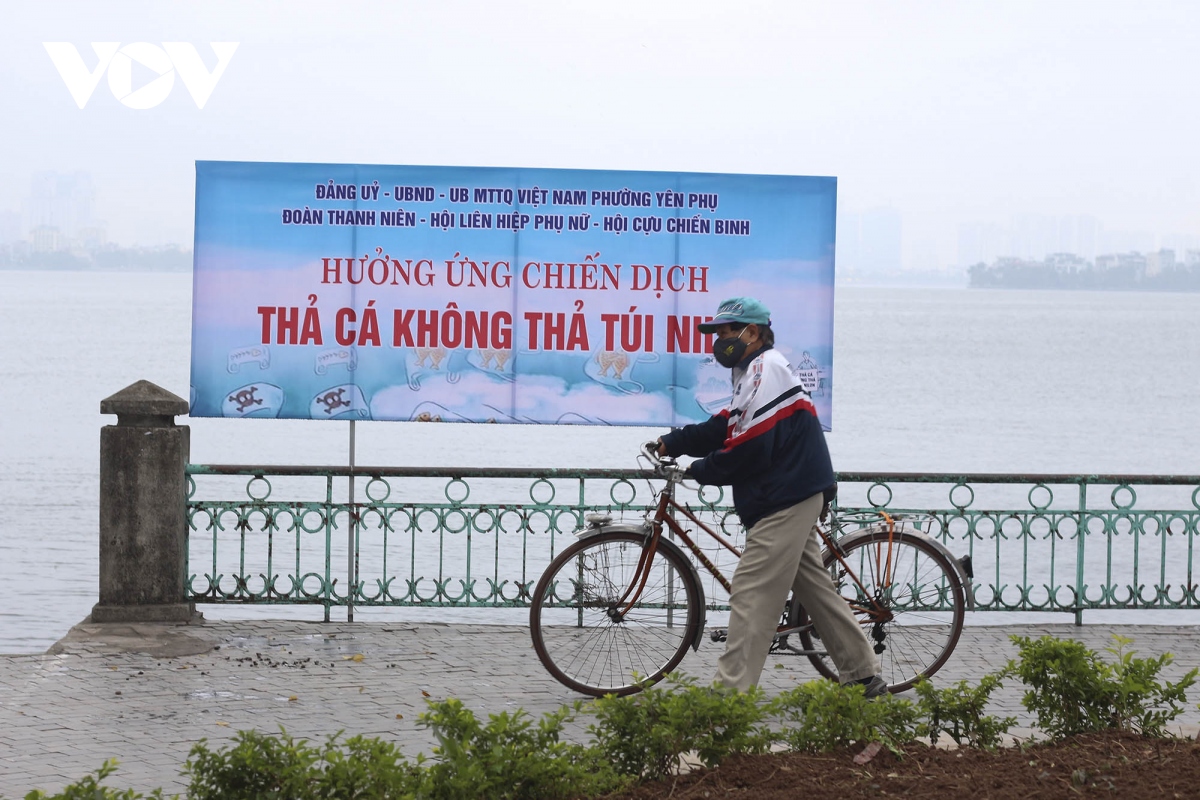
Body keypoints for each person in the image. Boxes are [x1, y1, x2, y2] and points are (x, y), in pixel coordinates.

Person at [656, 297, 886, 696]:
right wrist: (673, 442)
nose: (719, 340)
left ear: (753, 332)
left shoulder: (768, 369)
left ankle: (727, 698)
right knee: (814, 587)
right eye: (717, 333)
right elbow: (726, 425)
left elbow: (751, 446)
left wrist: (700, 470)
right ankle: (865, 674)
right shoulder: (751, 372)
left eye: (727, 332)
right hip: (789, 490)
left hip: (786, 496)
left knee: (751, 590)